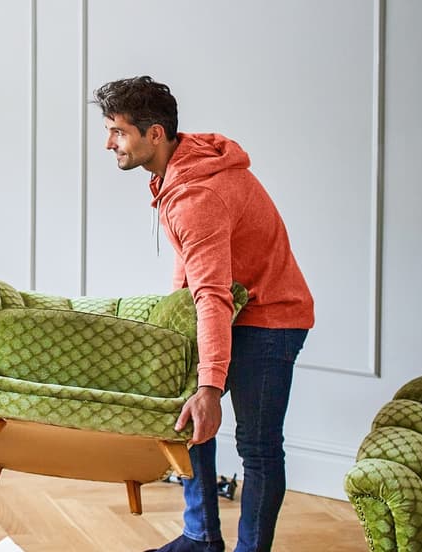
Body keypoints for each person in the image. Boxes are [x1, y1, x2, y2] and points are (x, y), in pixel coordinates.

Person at [92, 76, 314, 552]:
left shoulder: (199, 196)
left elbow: (211, 293)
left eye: (117, 130)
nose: (109, 142)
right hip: (232, 311)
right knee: (188, 423)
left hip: (271, 319)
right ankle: (200, 540)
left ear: (155, 134)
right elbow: (192, 266)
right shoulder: (180, 168)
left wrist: (210, 387)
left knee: (256, 449)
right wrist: (177, 326)